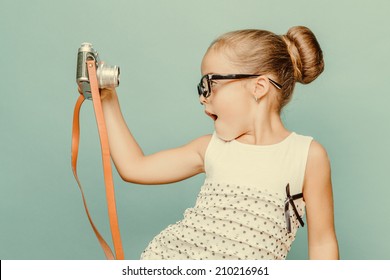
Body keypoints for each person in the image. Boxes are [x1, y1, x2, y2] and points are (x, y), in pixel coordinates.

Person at [99, 26, 339, 260]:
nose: (203, 97)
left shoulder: (307, 156)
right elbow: (134, 167)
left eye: (210, 83)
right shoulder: (211, 148)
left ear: (259, 87)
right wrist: (107, 97)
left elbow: (322, 243)